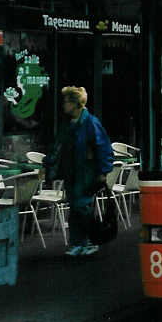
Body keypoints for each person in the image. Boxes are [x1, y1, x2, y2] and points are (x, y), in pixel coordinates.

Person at [43, 86, 113, 256]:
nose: (63, 105)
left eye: (66, 101)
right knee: (75, 207)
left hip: (85, 173)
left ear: (75, 104)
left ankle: (88, 241)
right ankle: (79, 242)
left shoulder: (90, 123)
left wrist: (102, 171)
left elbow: (103, 148)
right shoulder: (71, 124)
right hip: (73, 171)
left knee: (82, 206)